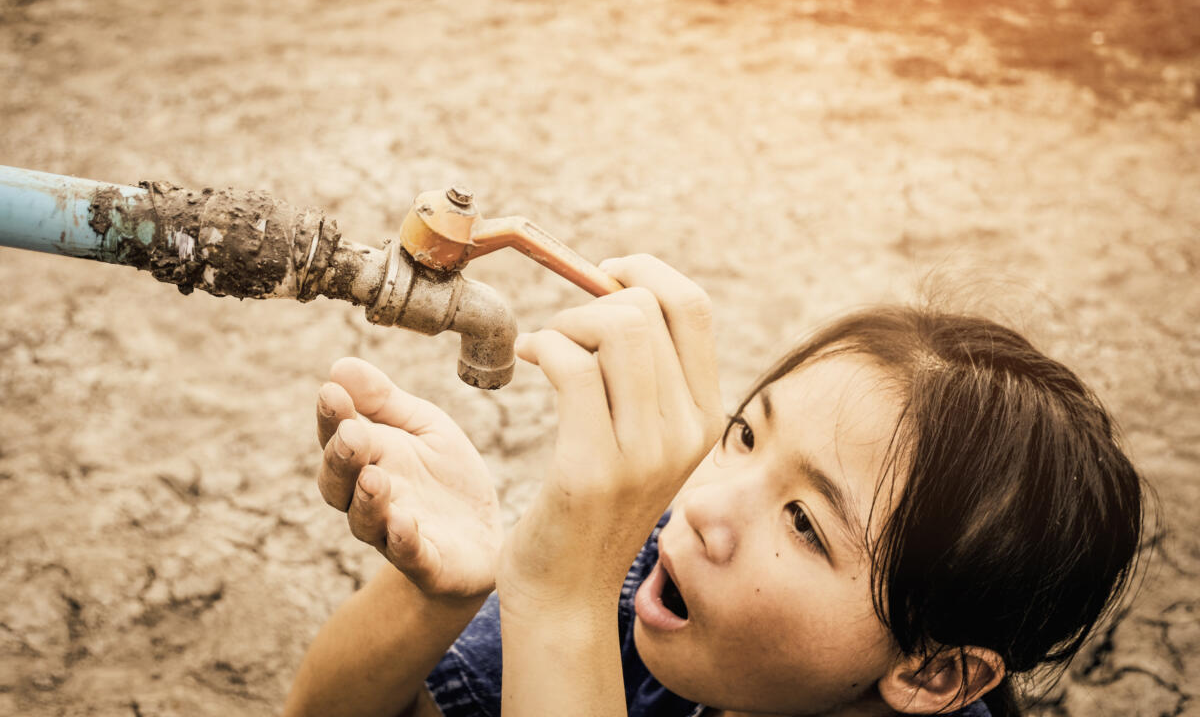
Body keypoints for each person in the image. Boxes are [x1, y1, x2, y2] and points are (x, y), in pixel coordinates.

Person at [282, 255, 1146, 717]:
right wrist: (445, 594)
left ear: (935, 676)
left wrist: (556, 599)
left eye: (805, 523)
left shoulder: (615, 602)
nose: (698, 510)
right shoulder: (655, 589)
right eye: (743, 434)